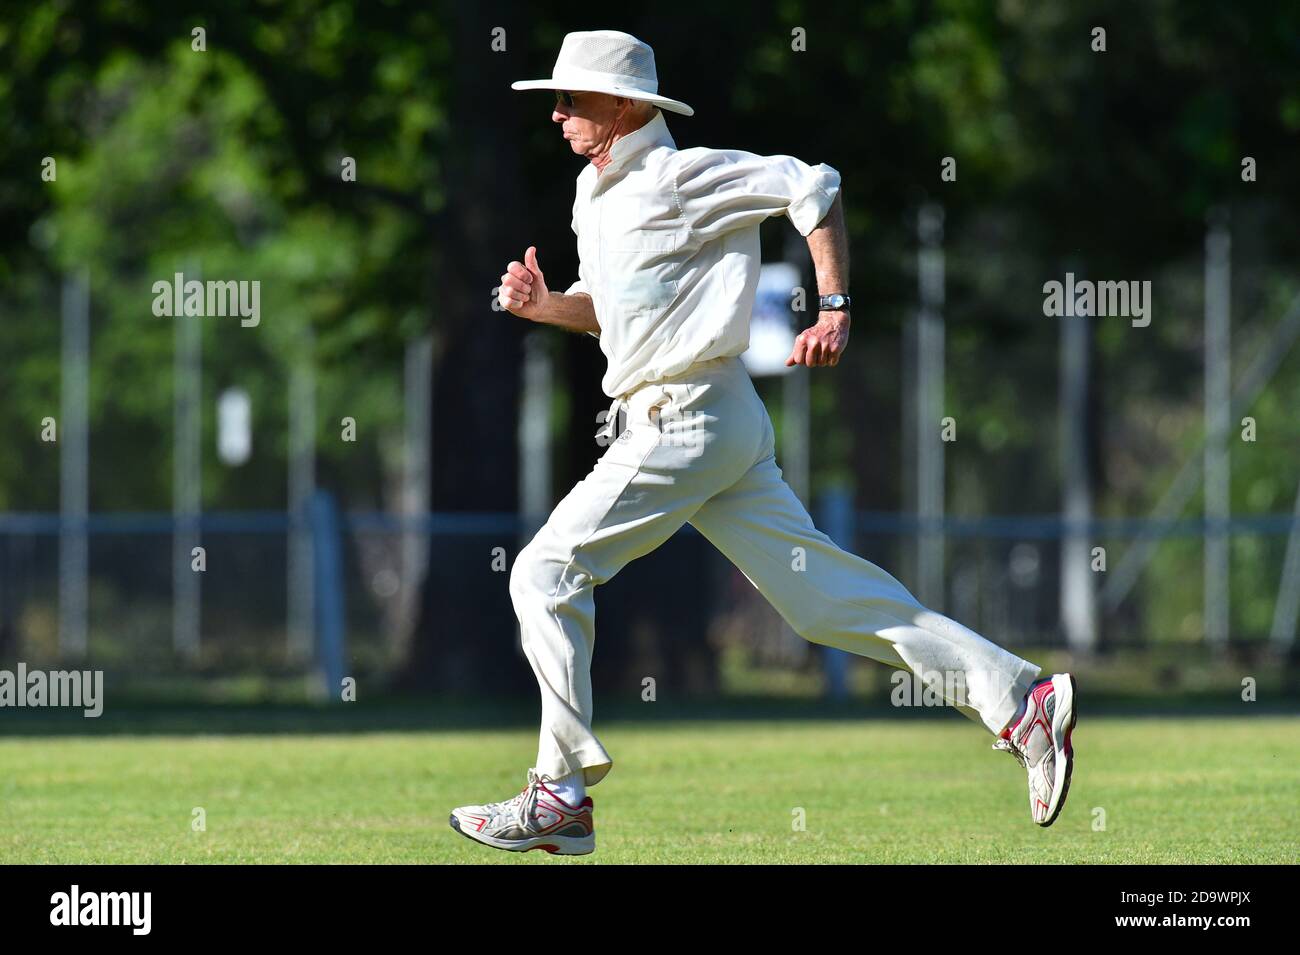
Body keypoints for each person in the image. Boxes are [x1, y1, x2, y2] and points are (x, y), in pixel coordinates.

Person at [449, 30, 1077, 856]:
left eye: (573, 98)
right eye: (556, 100)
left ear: (627, 105)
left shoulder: (680, 174)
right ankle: (1020, 700)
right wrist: (545, 307)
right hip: (710, 423)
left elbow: (811, 186)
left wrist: (835, 306)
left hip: (689, 415)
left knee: (543, 571)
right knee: (823, 602)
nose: (558, 112)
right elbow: (613, 307)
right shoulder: (590, 192)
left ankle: (559, 794)